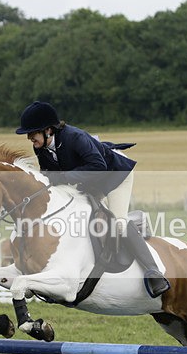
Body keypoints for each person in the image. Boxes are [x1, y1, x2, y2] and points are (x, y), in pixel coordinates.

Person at [15, 101, 171, 298]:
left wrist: (64, 177)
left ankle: (153, 272)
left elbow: (98, 167)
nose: (29, 138)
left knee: (118, 223)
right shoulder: (42, 147)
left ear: (48, 130)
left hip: (115, 175)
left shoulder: (75, 137)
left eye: (32, 133)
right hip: (89, 181)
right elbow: (49, 176)